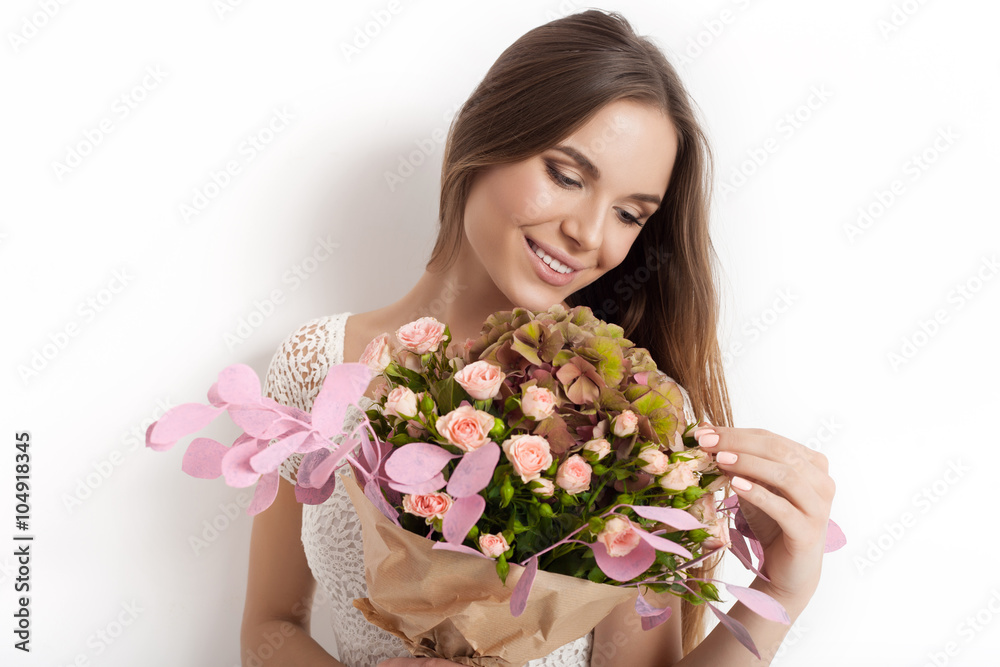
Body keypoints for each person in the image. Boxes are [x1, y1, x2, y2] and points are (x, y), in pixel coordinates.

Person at [240, 9, 836, 667]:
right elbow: (271, 626)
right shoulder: (317, 363)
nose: (590, 232)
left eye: (630, 213)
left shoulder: (630, 420)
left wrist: (779, 587)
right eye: (567, 174)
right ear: (485, 135)